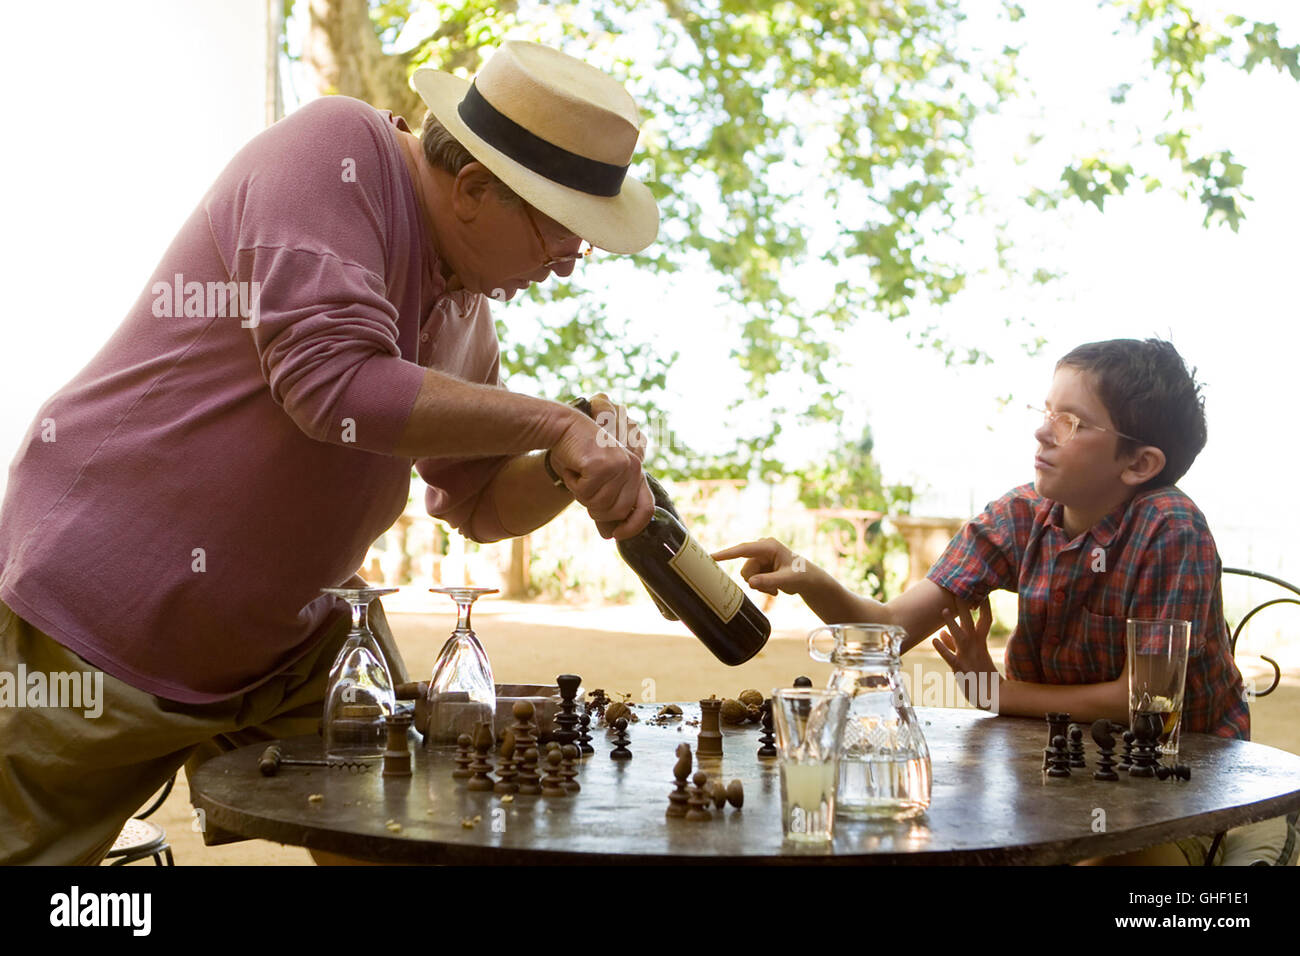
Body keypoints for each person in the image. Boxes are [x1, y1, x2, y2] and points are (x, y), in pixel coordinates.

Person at [0, 40, 658, 864]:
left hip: (293, 640)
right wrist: (553, 423)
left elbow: (480, 504)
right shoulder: (335, 151)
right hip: (108, 614)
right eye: (563, 232)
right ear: (474, 188)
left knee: (409, 840)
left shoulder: (466, 318)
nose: (570, 265)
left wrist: (572, 463)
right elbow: (331, 384)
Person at [716, 338, 1248, 738]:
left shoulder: (1170, 529)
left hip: (1182, 773)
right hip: (1058, 759)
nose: (1043, 432)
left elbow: (1144, 700)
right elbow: (888, 630)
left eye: (1072, 422)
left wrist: (997, 694)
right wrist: (806, 573)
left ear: (1139, 463)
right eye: (1047, 413)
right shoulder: (1019, 517)